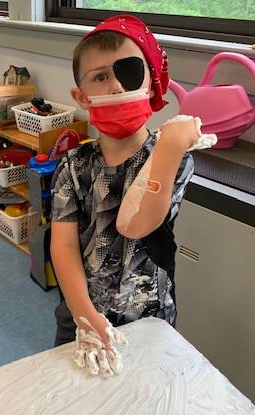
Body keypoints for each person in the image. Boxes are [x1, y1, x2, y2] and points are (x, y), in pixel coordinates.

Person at [50, 15, 214, 377]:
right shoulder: (74, 166)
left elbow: (136, 222)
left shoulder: (173, 160)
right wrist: (84, 315)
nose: (114, 86)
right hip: (81, 313)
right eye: (100, 77)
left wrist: (170, 145)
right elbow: (63, 247)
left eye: (127, 71)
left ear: (150, 82)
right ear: (81, 96)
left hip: (149, 315)